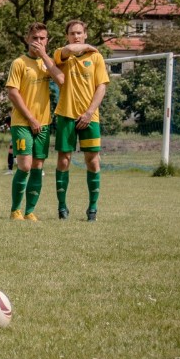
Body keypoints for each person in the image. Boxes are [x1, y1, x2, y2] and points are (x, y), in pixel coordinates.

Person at [5, 23, 66, 222]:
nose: (38, 42)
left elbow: (62, 80)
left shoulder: (46, 64)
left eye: (42, 38)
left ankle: (30, 211)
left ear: (47, 41)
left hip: (44, 123)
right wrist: (31, 118)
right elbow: (13, 93)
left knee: (38, 166)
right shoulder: (19, 63)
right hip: (22, 122)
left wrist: (45, 57)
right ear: (27, 39)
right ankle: (16, 211)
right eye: (35, 38)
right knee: (24, 165)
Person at [53, 19, 109, 221]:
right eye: (72, 33)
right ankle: (62, 207)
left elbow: (101, 86)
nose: (76, 36)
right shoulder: (61, 54)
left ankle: (92, 209)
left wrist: (89, 112)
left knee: (92, 161)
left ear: (85, 34)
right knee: (63, 160)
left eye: (80, 33)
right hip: (66, 114)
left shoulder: (96, 58)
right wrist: (83, 46)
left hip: (89, 117)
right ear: (67, 36)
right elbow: (68, 50)